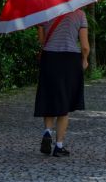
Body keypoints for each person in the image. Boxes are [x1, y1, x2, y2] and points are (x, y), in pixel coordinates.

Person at [34, 9, 90, 157]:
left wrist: (40, 27)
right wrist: (84, 60)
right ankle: (58, 146)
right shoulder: (80, 14)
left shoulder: (46, 12)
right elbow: (85, 46)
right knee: (64, 101)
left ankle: (47, 132)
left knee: (50, 96)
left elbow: (41, 41)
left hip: (49, 58)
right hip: (69, 60)